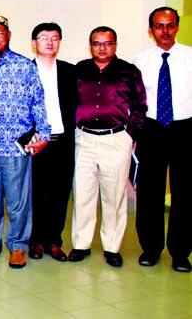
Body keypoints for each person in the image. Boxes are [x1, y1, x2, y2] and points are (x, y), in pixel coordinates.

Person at [0, 15, 51, 269]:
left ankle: (17, 245)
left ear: (8, 36)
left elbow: (38, 102)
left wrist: (43, 135)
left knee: (18, 200)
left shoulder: (25, 66)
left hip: (16, 145)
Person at [68, 26, 146, 268]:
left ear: (115, 45)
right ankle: (81, 244)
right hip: (84, 140)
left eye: (107, 43)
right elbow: (68, 101)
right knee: (83, 194)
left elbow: (140, 105)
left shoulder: (129, 72)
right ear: (90, 45)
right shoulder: (79, 70)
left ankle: (112, 247)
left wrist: (129, 135)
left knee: (114, 197)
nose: (102, 48)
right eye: (96, 43)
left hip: (116, 139)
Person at [133, 7, 192, 273]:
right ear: (151, 29)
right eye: (159, 26)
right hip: (152, 128)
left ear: (177, 27)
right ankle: (151, 248)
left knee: (186, 193)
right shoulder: (141, 60)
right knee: (149, 191)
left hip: (185, 129)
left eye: (169, 25)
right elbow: (135, 100)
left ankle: (180, 253)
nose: (164, 31)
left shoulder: (191, 56)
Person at [29, 22, 78, 262]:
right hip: (35, 143)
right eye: (44, 37)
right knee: (35, 194)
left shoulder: (70, 72)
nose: (49, 42)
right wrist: (28, 140)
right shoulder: (25, 70)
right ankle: (35, 241)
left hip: (63, 142)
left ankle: (54, 241)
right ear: (34, 42)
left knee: (60, 193)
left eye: (55, 38)